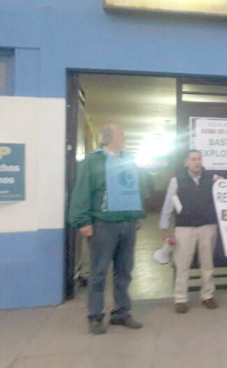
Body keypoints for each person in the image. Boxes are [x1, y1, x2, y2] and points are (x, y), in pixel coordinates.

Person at [68, 124, 145, 335]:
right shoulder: (92, 162)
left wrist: (137, 214)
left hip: (127, 224)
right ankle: (95, 315)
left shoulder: (128, 160)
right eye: (121, 134)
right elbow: (82, 190)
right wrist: (82, 221)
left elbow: (134, 189)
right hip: (103, 224)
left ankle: (122, 312)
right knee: (99, 272)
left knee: (124, 271)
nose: (125, 137)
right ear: (109, 138)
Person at [159, 150, 222, 314]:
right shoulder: (176, 180)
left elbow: (226, 193)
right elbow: (168, 205)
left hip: (208, 226)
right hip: (184, 228)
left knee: (207, 264)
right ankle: (180, 299)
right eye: (193, 159)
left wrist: (223, 184)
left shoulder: (213, 178)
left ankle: (207, 295)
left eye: (199, 159)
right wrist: (164, 227)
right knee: (182, 264)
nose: (197, 162)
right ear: (186, 162)